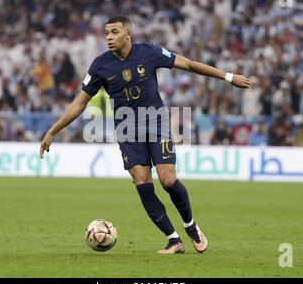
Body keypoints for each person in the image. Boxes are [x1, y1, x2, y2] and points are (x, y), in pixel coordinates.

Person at [40, 16, 251, 254]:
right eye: (107, 33)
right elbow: (79, 103)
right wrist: (52, 130)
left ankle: (191, 226)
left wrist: (229, 77)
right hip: (128, 130)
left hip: (156, 121)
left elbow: (189, 64)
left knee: (168, 180)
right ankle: (173, 239)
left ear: (127, 34)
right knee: (142, 182)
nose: (109, 37)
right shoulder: (99, 66)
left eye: (114, 32)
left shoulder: (148, 52)